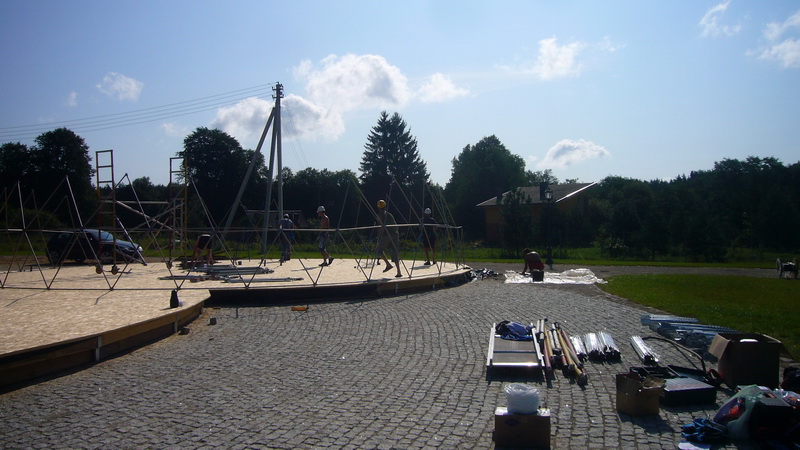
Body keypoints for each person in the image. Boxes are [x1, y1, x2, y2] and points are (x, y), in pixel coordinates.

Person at [376, 199, 402, 278]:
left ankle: (388, 264)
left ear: (378, 207)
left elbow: (380, 227)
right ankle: (399, 272)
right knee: (395, 253)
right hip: (395, 234)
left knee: (379, 250)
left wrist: (379, 236)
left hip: (386, 235)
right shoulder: (389, 214)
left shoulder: (380, 215)